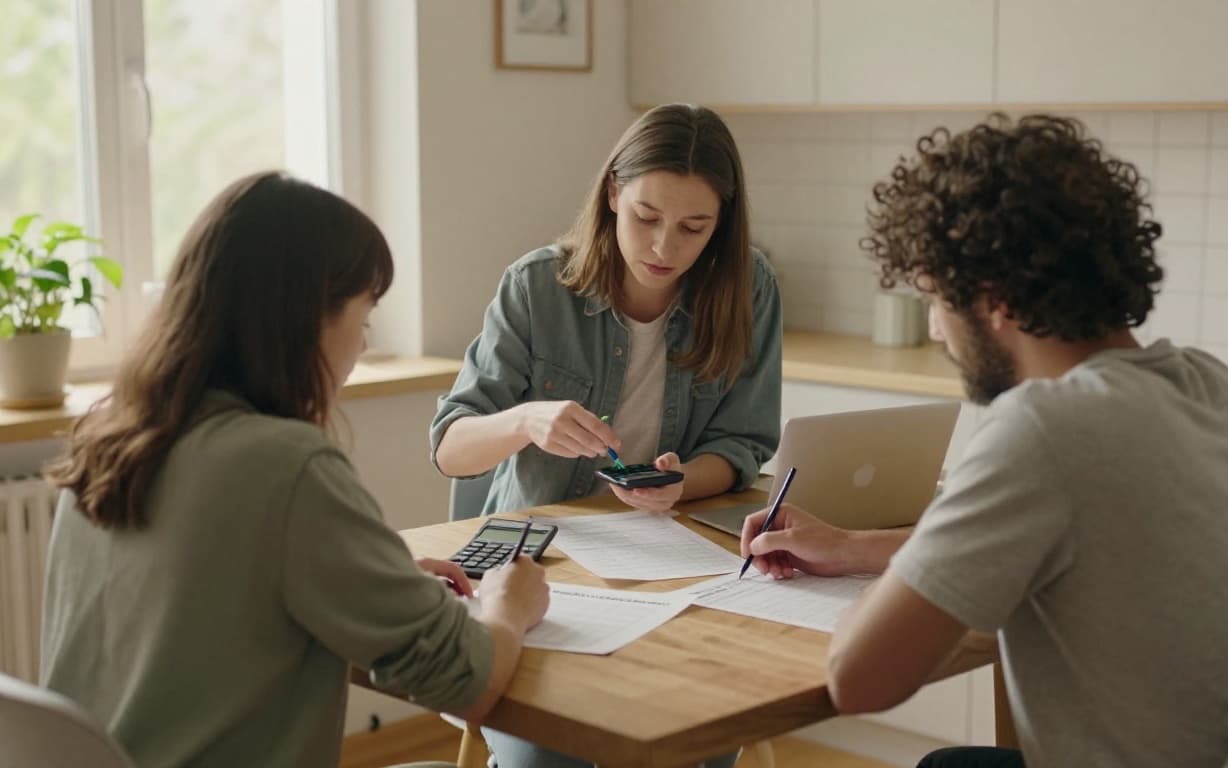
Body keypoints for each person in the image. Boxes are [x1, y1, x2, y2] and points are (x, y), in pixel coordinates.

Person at [738, 114, 1228, 768]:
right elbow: (1064, 541)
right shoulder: (1214, 386)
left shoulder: (1045, 428)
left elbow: (858, 677)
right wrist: (851, 548)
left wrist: (894, 583)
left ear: (994, 300)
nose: (935, 329)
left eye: (935, 298)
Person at [41, 172, 550, 768]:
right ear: (308, 318)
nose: (362, 345)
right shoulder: (286, 464)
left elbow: (205, 591)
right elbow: (467, 682)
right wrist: (508, 605)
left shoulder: (110, 441)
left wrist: (370, 572)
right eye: (363, 317)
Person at [431, 103, 782, 519]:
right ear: (614, 193)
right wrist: (526, 421)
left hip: (669, 539)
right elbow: (451, 451)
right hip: (548, 545)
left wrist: (679, 483)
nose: (663, 248)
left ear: (720, 222)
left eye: (693, 228)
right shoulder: (535, 286)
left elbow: (741, 443)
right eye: (646, 217)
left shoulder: (748, 285)